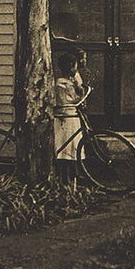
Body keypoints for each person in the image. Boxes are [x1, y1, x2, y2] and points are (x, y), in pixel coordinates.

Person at [53, 50, 86, 183]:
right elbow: (72, 100)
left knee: (72, 145)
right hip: (67, 118)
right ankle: (66, 178)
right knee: (67, 147)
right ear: (72, 67)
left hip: (72, 117)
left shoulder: (69, 81)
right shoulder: (63, 84)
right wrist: (82, 93)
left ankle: (73, 176)